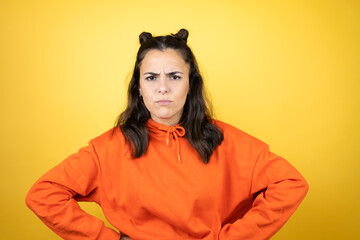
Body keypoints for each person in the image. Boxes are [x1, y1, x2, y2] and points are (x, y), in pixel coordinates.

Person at [26, 29, 308, 240]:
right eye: (151, 78)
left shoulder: (228, 141)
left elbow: (291, 183)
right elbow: (43, 195)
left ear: (190, 84)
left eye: (174, 76)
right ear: (138, 86)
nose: (163, 88)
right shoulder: (108, 148)